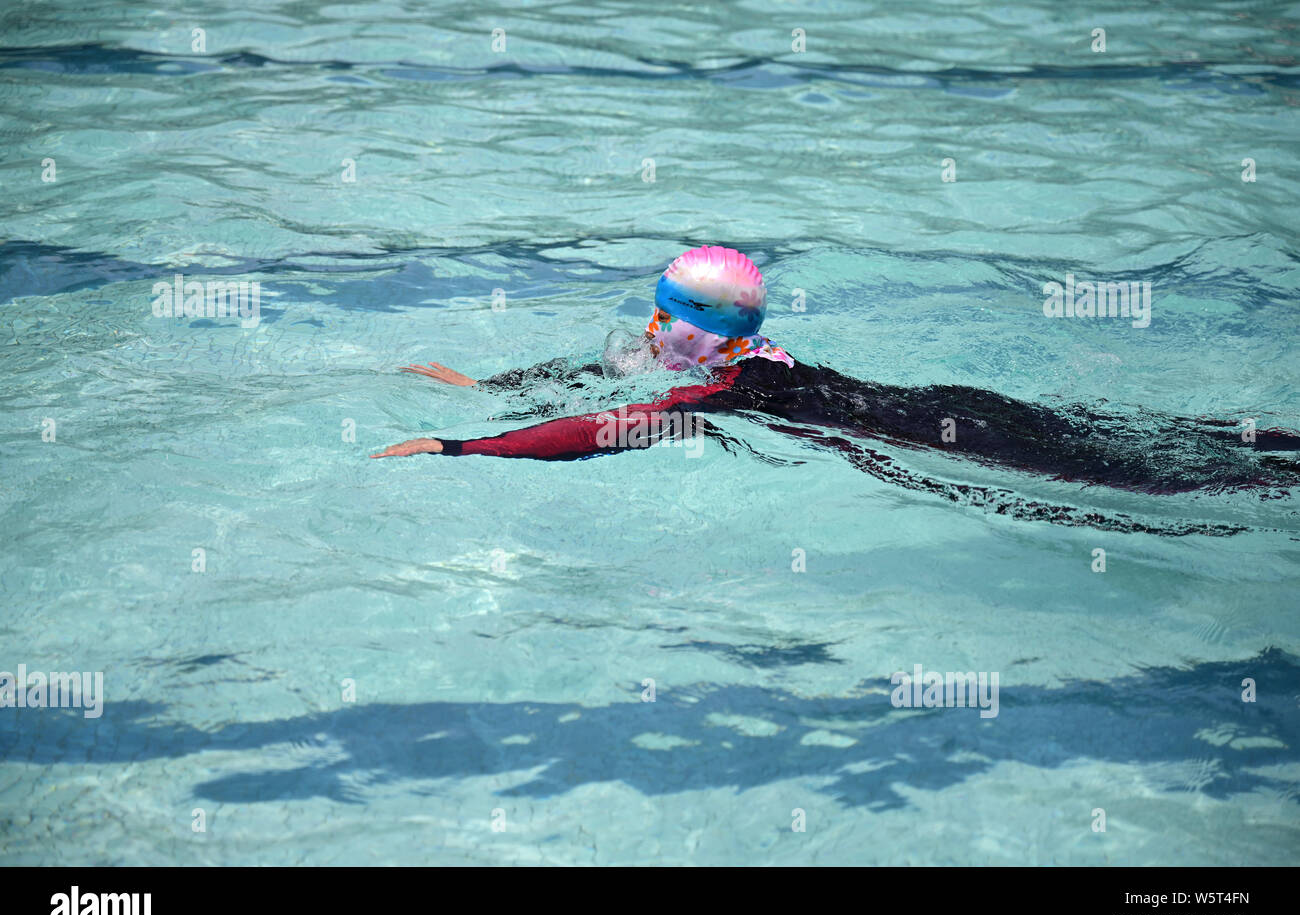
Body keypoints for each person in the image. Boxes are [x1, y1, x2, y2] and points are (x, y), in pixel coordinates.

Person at [372, 246, 1300, 520]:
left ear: (698, 336)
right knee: (1171, 440)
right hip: (941, 406)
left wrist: (462, 448)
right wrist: (480, 388)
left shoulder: (712, 393)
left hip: (945, 434)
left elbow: (597, 429)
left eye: (666, 321)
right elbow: (596, 381)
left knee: (1157, 475)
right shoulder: (742, 362)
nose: (649, 332)